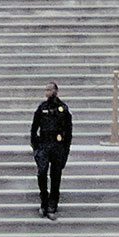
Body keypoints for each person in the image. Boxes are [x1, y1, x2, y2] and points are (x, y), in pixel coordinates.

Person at [30, 81, 73, 221]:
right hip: (44, 145)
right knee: (42, 173)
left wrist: (65, 150)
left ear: (56, 91)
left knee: (56, 176)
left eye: (50, 90)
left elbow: (69, 131)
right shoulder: (42, 108)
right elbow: (33, 128)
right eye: (46, 90)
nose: (47, 92)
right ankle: (44, 200)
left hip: (57, 146)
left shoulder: (63, 109)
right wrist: (36, 147)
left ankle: (52, 204)